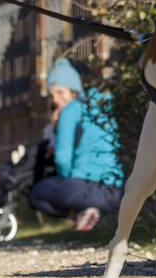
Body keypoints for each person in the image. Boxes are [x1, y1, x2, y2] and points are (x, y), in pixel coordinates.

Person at [28, 58, 124, 231]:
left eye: (60, 92)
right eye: (51, 95)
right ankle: (94, 213)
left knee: (37, 194)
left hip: (84, 189)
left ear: (73, 89)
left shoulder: (69, 111)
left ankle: (82, 214)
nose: (55, 100)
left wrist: (66, 178)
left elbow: (62, 159)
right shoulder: (105, 103)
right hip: (116, 190)